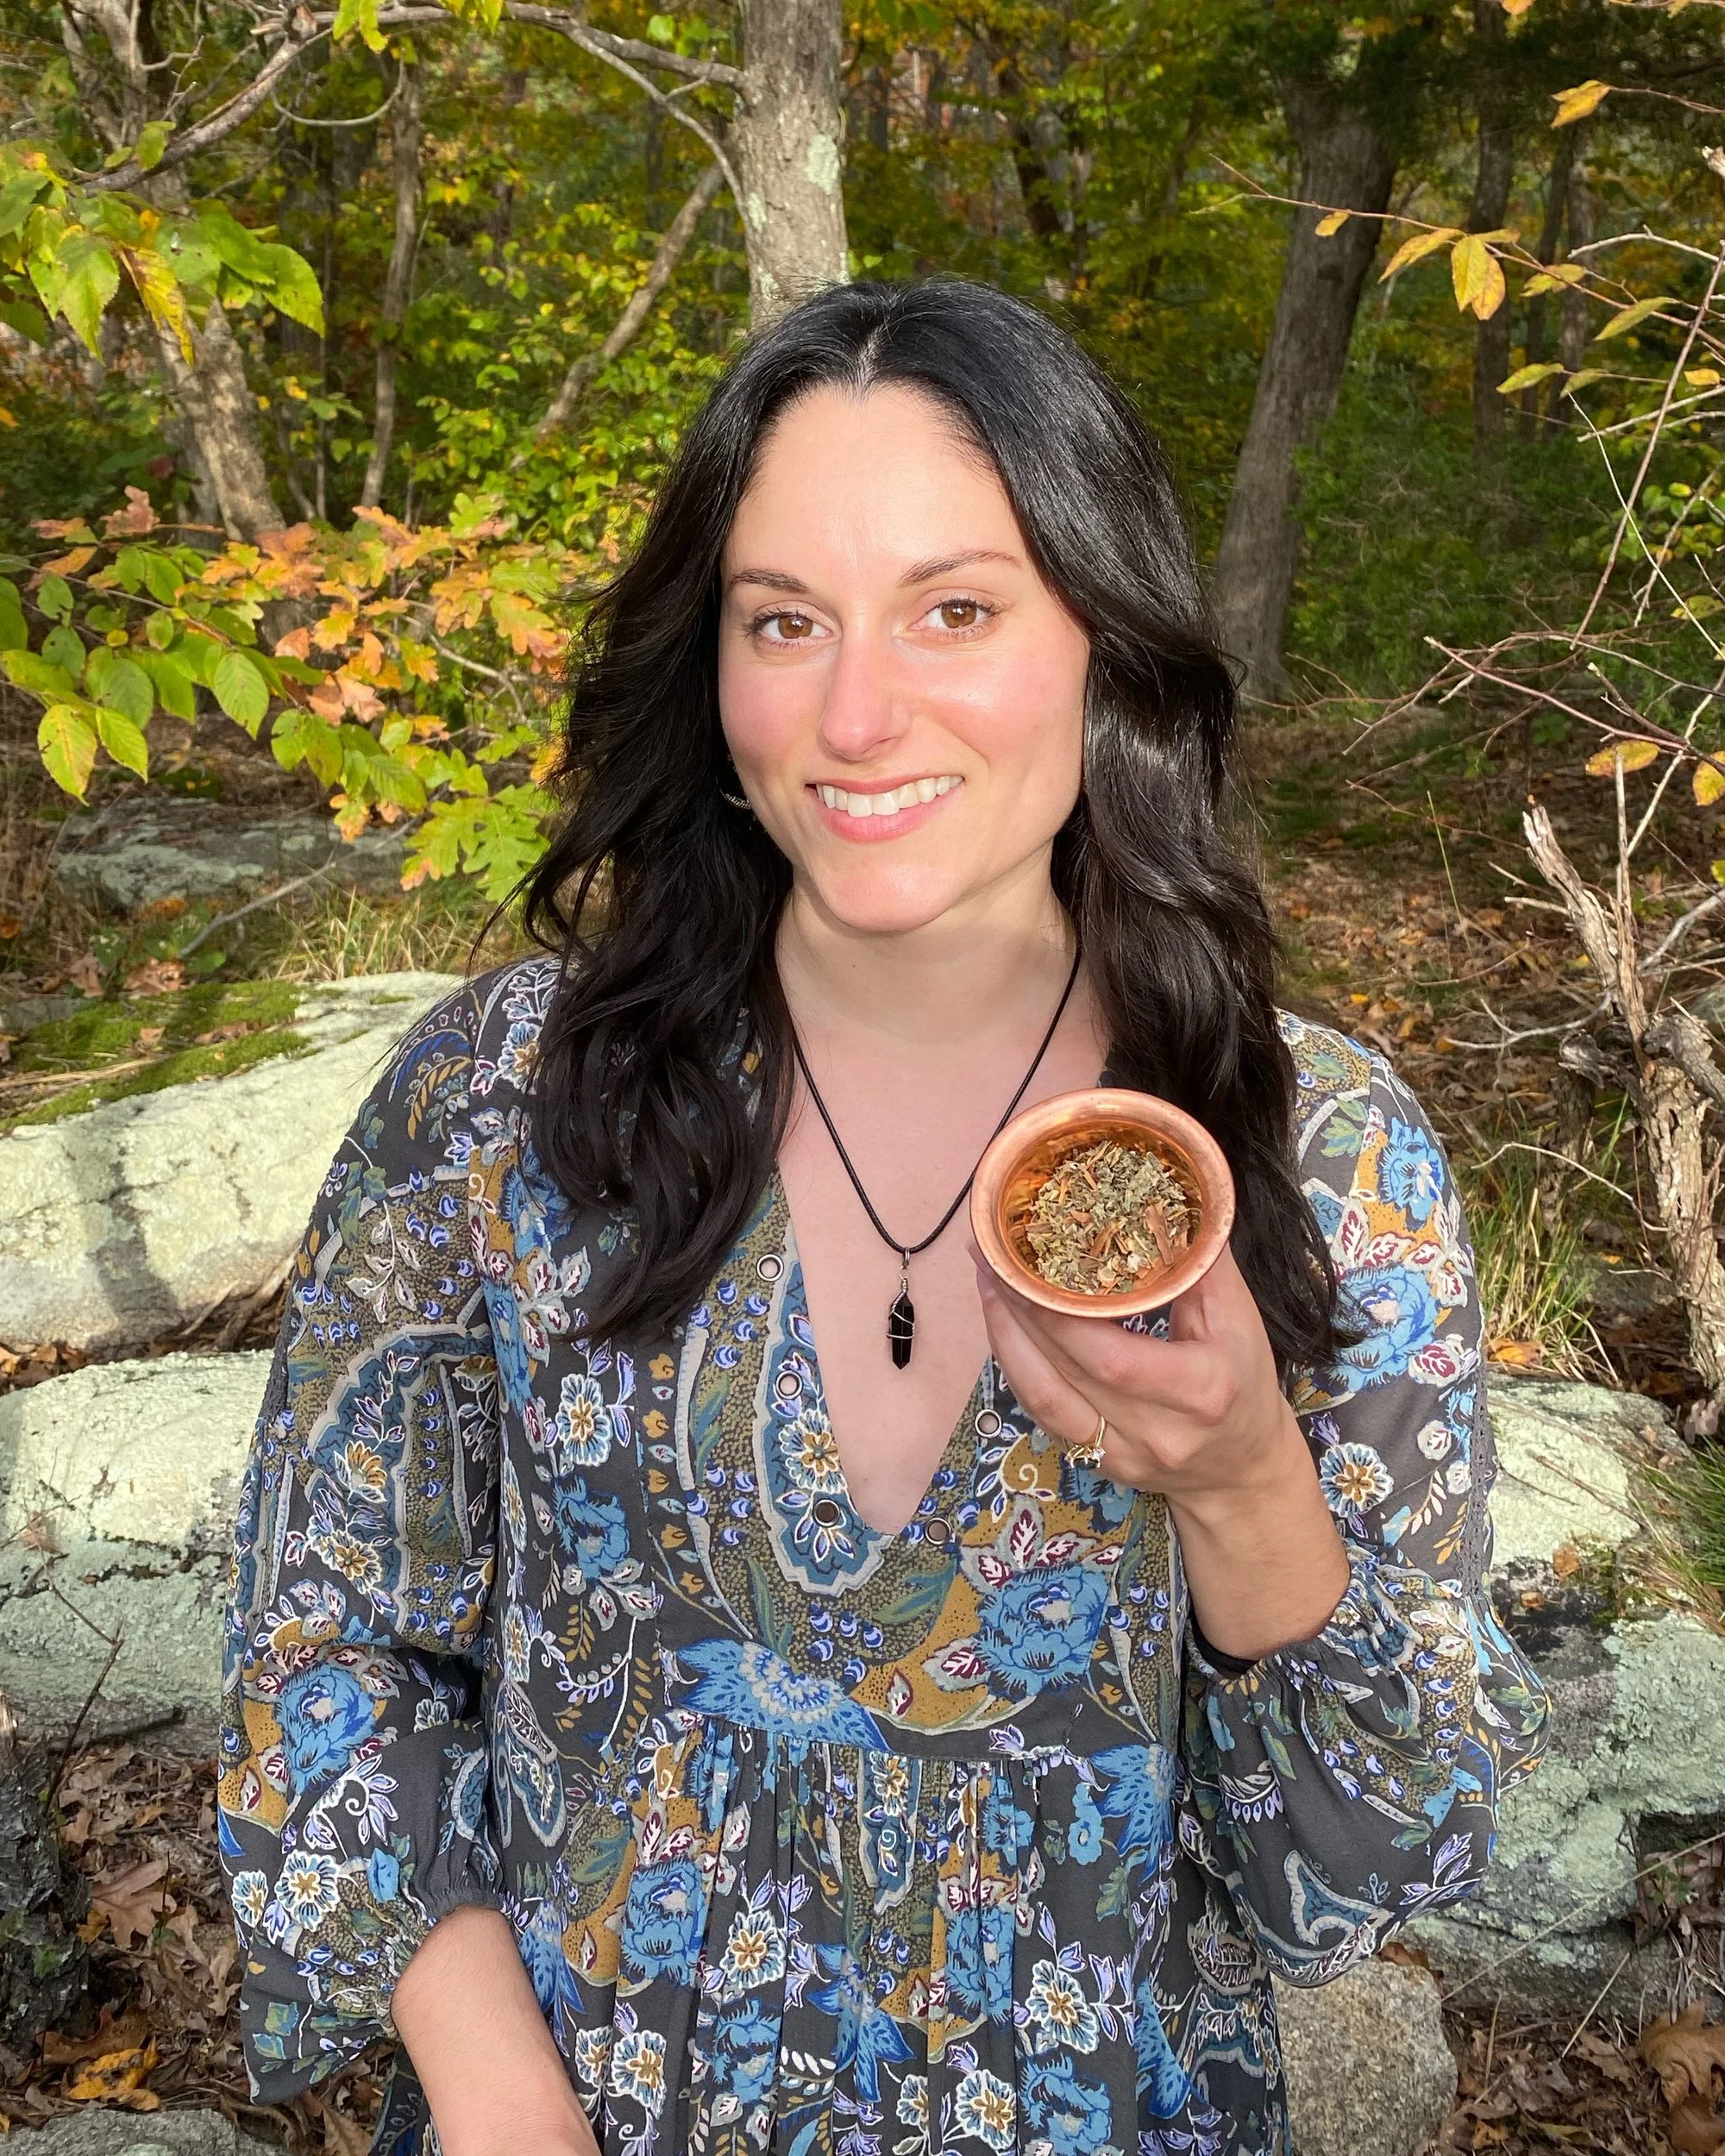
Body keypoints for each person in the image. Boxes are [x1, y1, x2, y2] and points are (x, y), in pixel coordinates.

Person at [218, 279, 1548, 2156]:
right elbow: (322, 1648)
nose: (856, 712)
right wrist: (500, 2093)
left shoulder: (1312, 1148)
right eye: (785, 622)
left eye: (956, 608)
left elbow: (1360, 1879)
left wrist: (1249, 1484)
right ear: (710, 660)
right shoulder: (505, 1101)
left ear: (1105, 632)